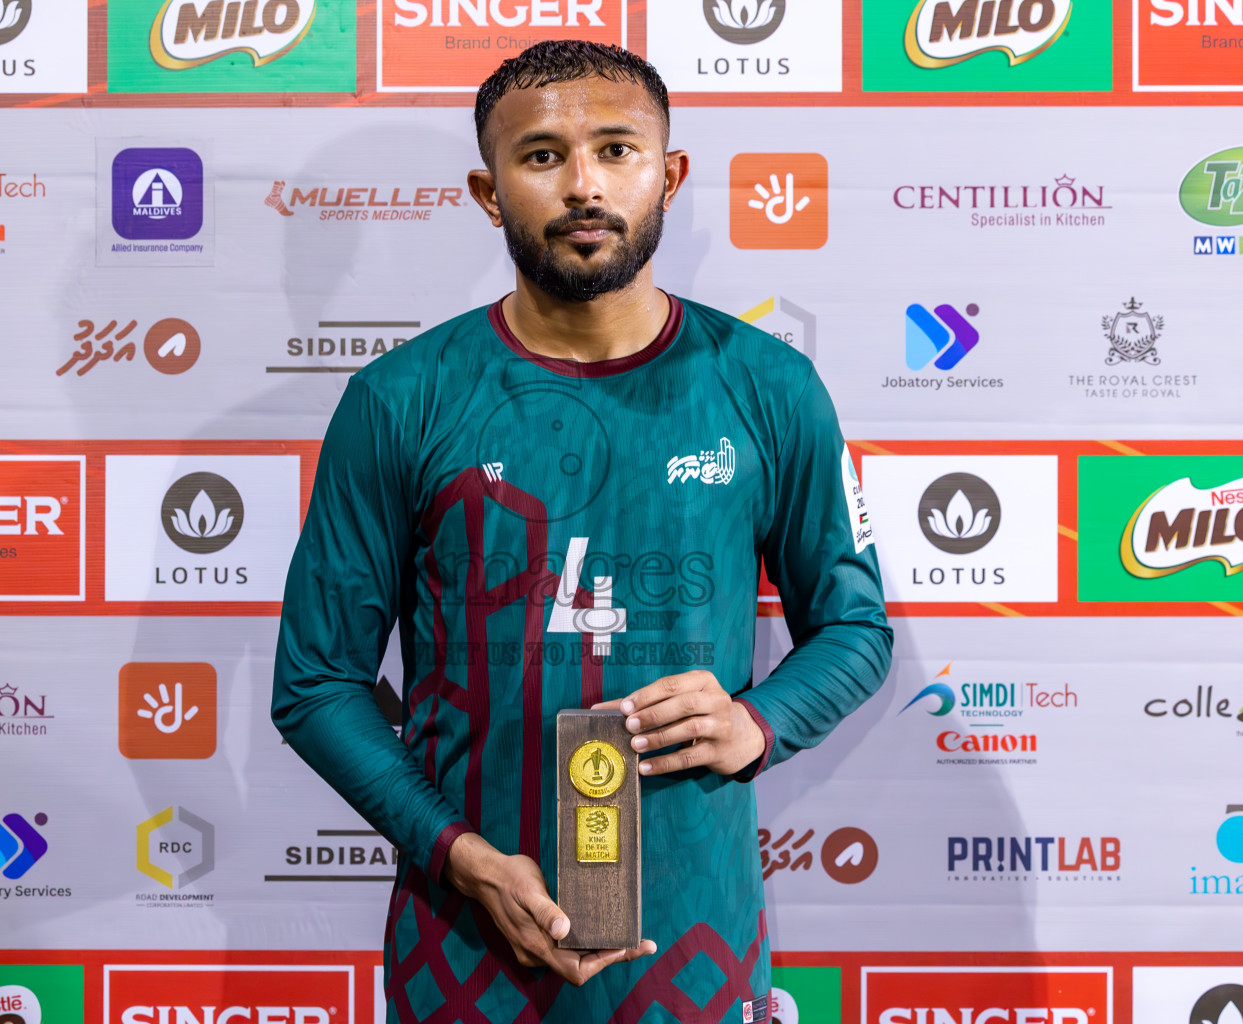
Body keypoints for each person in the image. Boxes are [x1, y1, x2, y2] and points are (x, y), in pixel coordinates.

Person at [273, 40, 893, 1024]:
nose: (584, 186)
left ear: (670, 175)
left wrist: (757, 722)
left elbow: (856, 630)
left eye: (616, 149)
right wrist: (463, 858)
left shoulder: (771, 388)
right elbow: (315, 684)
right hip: (464, 951)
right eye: (542, 156)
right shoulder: (401, 400)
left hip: (698, 939)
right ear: (488, 191)